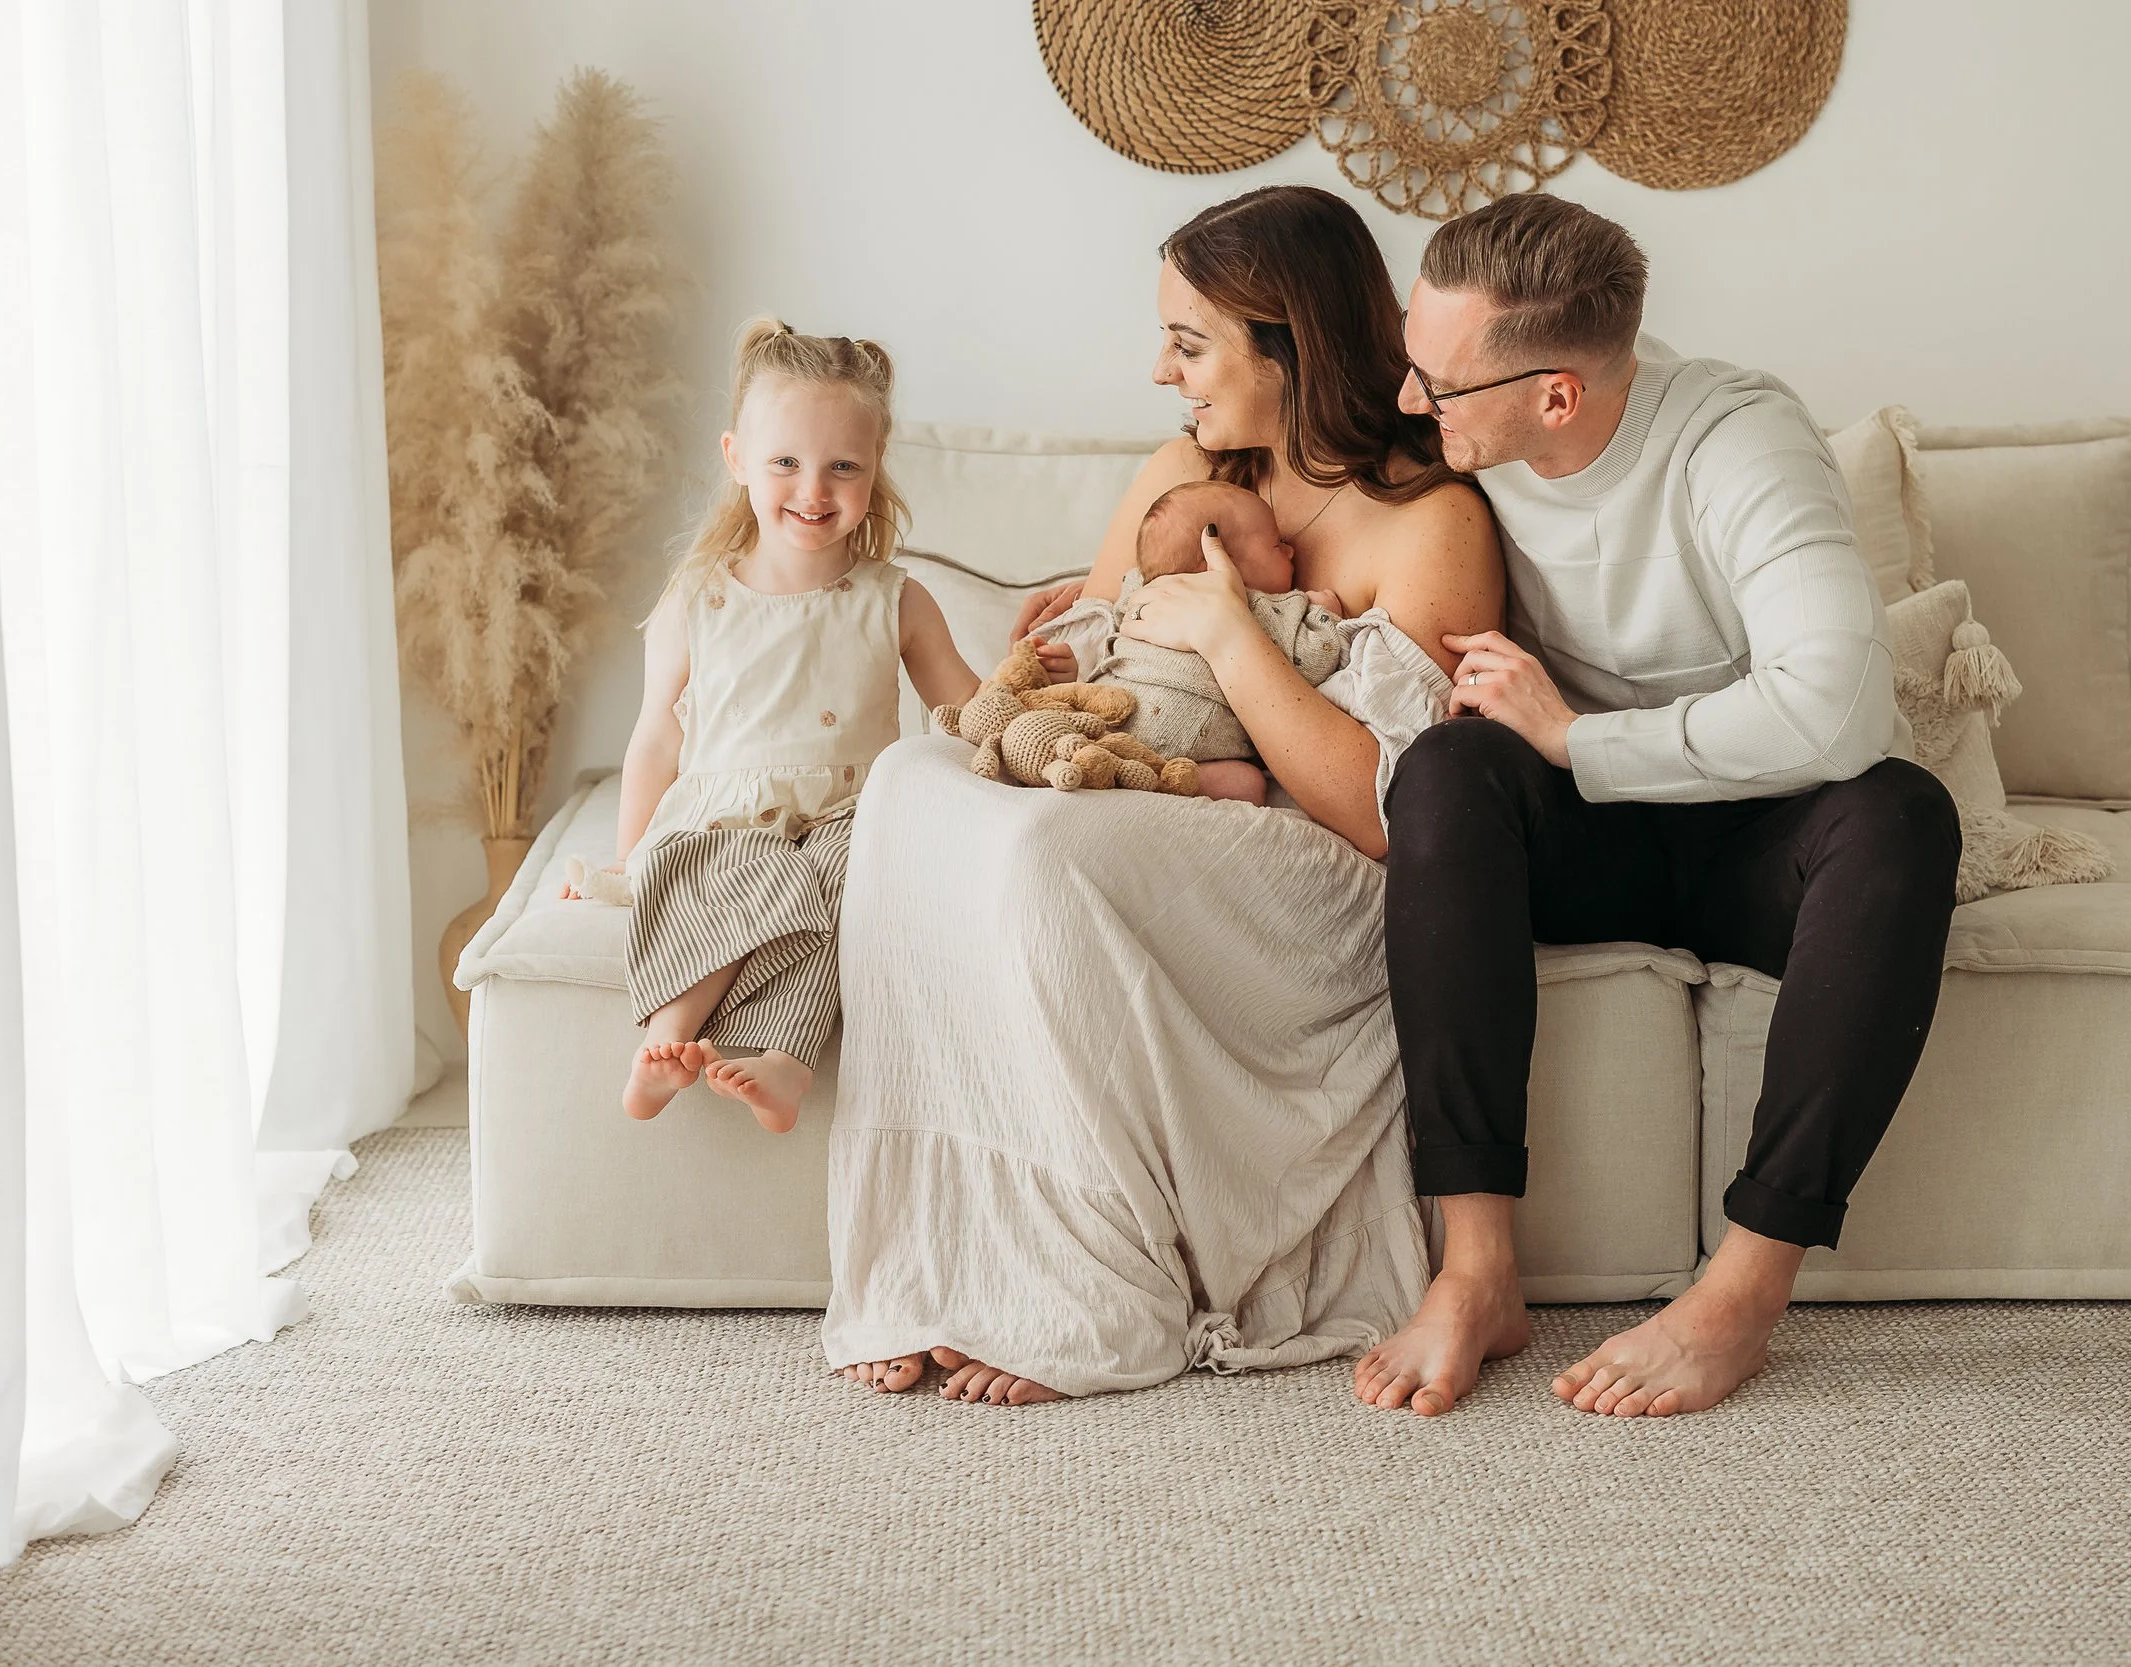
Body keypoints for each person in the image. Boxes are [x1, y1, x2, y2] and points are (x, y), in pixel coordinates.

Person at [823, 185, 1504, 1404]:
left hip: (1309, 863)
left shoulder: (1427, 522)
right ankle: (952, 1263)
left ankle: (1087, 1295)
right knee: (909, 781)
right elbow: (1099, 661)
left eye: (1188, 344)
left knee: (1045, 854)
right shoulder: (1180, 470)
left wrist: (1237, 637)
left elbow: (1399, 814)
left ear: (1287, 343)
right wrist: (1051, 660)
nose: (1158, 370)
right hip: (1150, 792)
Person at [1354, 194, 1961, 1420]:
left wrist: (1580, 736)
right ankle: (1476, 1271)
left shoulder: (1738, 440)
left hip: (1764, 841)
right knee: (1446, 769)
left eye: (1441, 385)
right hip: (1584, 840)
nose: (1412, 403)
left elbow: (1836, 712)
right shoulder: (1456, 421)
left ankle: (1739, 1293)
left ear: (1556, 396)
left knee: (1901, 813)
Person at [566, 318, 979, 1135]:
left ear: (874, 468)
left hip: (848, 820)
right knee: (734, 872)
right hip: (724, 820)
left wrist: (1031, 688)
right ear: (736, 459)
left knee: (847, 887)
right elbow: (656, 738)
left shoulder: (894, 599)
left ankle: (783, 1065)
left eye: (843, 467)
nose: (813, 490)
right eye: (785, 462)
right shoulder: (699, 597)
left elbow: (967, 713)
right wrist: (631, 853)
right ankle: (669, 1038)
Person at [1029, 477, 1349, 805]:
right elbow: (1314, 660)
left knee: (1248, 784)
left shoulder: (1147, 590)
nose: (1291, 549)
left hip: (1176, 759)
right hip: (1110, 717)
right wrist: (1325, 617)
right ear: (1219, 560)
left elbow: (1296, 686)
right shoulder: (1274, 611)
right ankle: (1109, 764)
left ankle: (1132, 777)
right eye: (1277, 544)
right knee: (1247, 784)